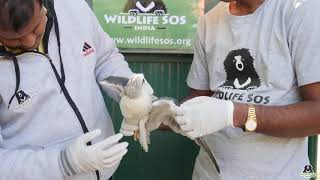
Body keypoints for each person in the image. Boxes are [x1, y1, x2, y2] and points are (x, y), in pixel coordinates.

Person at [0, 0, 151, 180]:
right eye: (14, 39)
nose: (30, 41)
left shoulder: (71, 6)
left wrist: (128, 89)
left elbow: (105, 58)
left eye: (35, 28)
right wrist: (63, 163)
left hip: (104, 171)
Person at [172, 0, 320, 179]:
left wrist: (237, 114)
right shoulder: (209, 21)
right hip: (208, 174)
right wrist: (154, 112)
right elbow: (197, 101)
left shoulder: (301, 9)